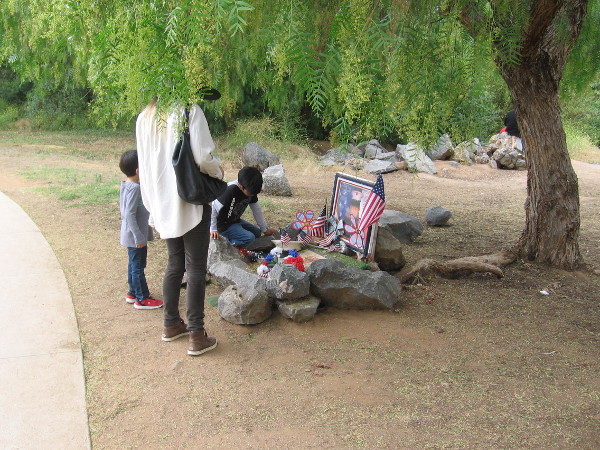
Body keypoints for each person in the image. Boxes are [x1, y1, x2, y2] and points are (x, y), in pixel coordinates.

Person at [136, 98, 223, 356]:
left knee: (175, 263)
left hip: (161, 201)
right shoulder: (187, 110)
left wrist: (151, 206)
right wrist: (218, 172)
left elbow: (146, 164)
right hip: (190, 199)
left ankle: (171, 323)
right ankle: (197, 335)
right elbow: (204, 156)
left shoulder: (145, 116)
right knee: (195, 267)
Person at [119, 149, 164, 310]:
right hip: (135, 236)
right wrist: (139, 236)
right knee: (138, 266)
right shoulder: (135, 189)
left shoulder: (127, 185)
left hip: (132, 234)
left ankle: (132, 292)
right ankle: (142, 298)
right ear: (138, 171)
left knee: (134, 264)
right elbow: (128, 214)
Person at [210, 166, 276, 247]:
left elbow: (256, 209)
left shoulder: (251, 189)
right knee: (249, 238)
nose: (252, 195)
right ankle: (226, 243)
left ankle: (238, 232)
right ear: (241, 186)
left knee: (258, 233)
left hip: (235, 221)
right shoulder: (229, 190)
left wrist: (264, 229)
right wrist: (213, 228)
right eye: (250, 193)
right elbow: (213, 207)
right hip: (223, 225)